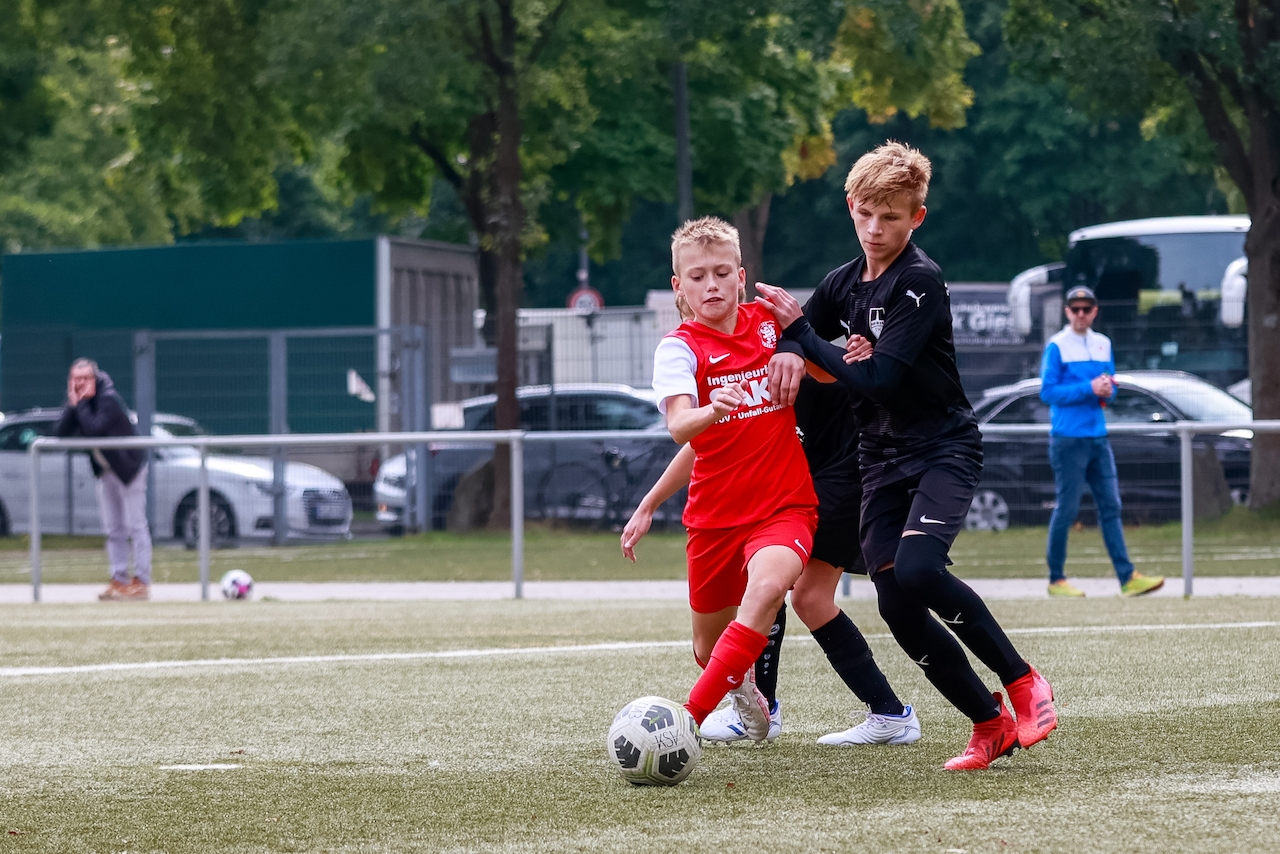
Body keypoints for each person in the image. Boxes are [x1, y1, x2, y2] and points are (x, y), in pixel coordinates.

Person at [755, 141, 1057, 770]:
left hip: (942, 448)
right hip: (879, 460)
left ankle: (1023, 680)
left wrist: (808, 338)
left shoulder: (918, 281)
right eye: (866, 213)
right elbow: (799, 333)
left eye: (890, 217)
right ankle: (989, 724)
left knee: (918, 571)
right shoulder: (843, 282)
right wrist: (791, 347)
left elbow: (880, 379)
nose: (875, 228)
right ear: (850, 206)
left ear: (916, 217)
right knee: (895, 602)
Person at [623, 374, 921, 748]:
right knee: (808, 598)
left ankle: (760, 705)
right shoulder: (755, 365)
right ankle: (888, 714)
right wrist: (649, 504)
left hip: (839, 480)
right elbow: (706, 442)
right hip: (819, 478)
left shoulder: (786, 359)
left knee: (775, 581)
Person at [648, 215, 818, 743]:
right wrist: (711, 410)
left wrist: (811, 349)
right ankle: (741, 688)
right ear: (679, 286)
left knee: (766, 588)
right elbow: (680, 427)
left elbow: (825, 369)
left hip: (785, 506)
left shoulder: (770, 320)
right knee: (708, 649)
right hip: (715, 517)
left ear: (741, 276)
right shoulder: (678, 348)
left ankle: (686, 720)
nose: (712, 285)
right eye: (697, 277)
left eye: (722, 273)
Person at [1040, 285, 1165, 598]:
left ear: (1094, 311)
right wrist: (1089, 388)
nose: (1081, 314)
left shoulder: (1103, 344)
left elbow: (1110, 385)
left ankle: (1127, 577)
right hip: (1068, 439)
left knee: (1111, 505)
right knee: (1067, 509)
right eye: (1075, 309)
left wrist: (1109, 391)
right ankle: (1056, 579)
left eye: (1086, 309)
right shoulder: (1057, 346)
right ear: (1067, 312)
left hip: (1098, 437)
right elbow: (1048, 392)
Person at [55, 358, 152, 601]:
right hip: (106, 470)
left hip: (129, 469)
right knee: (113, 528)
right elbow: (59, 432)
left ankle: (141, 581)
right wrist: (73, 404)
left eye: (84, 379)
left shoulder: (108, 398)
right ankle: (119, 579)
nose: (79, 384)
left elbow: (95, 427)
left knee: (136, 525)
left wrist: (81, 403)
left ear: (95, 378)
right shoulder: (81, 403)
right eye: (75, 379)